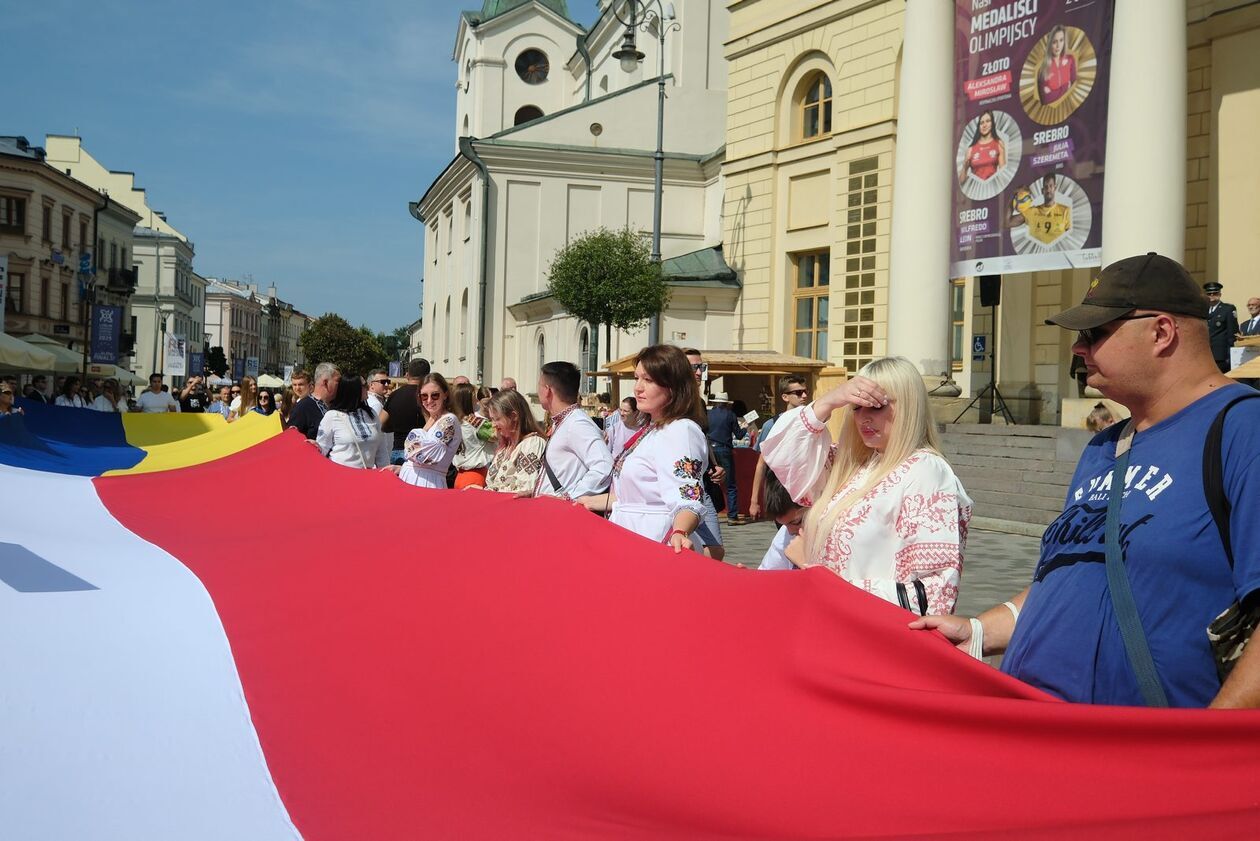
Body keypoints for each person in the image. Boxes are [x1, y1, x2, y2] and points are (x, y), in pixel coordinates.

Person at [911, 252, 1260, 709]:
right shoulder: (1106, 446)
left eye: (1093, 333)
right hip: (1041, 731)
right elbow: (1072, 570)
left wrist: (1204, 752)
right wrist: (980, 630)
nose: (1077, 348)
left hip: (1143, 754)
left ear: (1161, 332)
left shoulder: (1242, 428)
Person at [762, 357, 972, 616]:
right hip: (830, 622)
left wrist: (829, 584)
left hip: (870, 634)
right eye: (856, 407)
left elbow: (935, 591)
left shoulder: (927, 472)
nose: (863, 418)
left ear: (908, 406)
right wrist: (829, 401)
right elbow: (784, 458)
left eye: (876, 406)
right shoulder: (853, 465)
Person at [577, 345, 710, 554]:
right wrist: (582, 501)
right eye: (636, 378)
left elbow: (688, 495)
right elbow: (635, 497)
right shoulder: (654, 429)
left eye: (648, 380)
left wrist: (680, 532)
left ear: (673, 387)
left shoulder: (680, 431)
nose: (638, 388)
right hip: (632, 539)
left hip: (654, 544)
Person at [535, 361, 613, 501]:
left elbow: (604, 466)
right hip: (551, 511)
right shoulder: (565, 422)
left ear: (547, 390)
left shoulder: (576, 423)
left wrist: (571, 498)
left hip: (562, 516)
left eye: (539, 386)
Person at [750, 376, 811, 519]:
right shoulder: (772, 425)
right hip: (780, 489)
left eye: (805, 391)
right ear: (785, 397)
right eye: (798, 392)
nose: (804, 396)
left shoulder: (811, 421)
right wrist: (754, 501)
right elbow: (761, 464)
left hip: (806, 487)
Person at [394, 373, 460, 488]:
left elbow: (424, 456)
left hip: (427, 483)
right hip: (411, 479)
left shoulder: (449, 421)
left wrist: (418, 434)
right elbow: (412, 454)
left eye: (435, 395)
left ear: (445, 395)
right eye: (424, 396)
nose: (429, 400)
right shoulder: (433, 421)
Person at [482, 389, 547, 497]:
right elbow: (494, 486)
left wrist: (487, 492)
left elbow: (524, 489)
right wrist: (481, 491)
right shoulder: (505, 447)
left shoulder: (532, 443)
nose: (493, 424)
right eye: (492, 419)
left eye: (497, 419)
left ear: (514, 416)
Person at [317, 376, 391, 469]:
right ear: (354, 390)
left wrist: (386, 474)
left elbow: (382, 450)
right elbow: (321, 449)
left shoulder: (371, 414)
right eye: (364, 385)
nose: (368, 387)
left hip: (366, 477)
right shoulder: (332, 416)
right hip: (340, 476)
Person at [757, 468, 809, 571]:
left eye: (796, 522)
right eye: (784, 525)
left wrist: (805, 565)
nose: (790, 531)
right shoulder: (784, 535)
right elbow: (768, 572)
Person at [381, 358, 430, 465]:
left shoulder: (394, 395)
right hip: (419, 451)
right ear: (427, 376)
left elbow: (380, 423)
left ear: (408, 374)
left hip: (397, 450)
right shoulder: (427, 397)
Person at [450, 382, 496, 488]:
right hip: (475, 476)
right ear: (468, 400)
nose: (476, 400)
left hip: (460, 476)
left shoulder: (454, 421)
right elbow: (499, 434)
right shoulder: (475, 422)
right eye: (474, 396)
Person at [706, 392, 743, 525]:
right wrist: (744, 427)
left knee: (710, 482)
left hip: (710, 449)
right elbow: (738, 435)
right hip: (724, 448)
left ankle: (711, 513)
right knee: (730, 484)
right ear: (726, 403)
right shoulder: (730, 415)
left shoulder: (707, 414)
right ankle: (732, 516)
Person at [1010, 173, 1071, 247]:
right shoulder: (1031, 211)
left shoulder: (1065, 211)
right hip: (1037, 256)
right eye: (1046, 187)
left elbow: (1069, 240)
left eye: (1051, 186)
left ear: (1055, 188)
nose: (1048, 189)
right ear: (1042, 190)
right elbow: (1007, 222)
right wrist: (1013, 194)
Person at [288, 363, 340, 440]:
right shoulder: (302, 407)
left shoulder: (335, 404)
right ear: (325, 382)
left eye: (301, 384)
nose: (297, 388)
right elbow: (292, 440)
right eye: (338, 381)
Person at [959, 109, 1006, 185]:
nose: (984, 125)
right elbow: (961, 181)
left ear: (992, 123)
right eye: (982, 123)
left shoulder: (998, 143)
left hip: (993, 189)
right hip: (976, 193)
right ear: (979, 126)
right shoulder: (970, 149)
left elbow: (1003, 175)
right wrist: (964, 167)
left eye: (988, 121)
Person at [1204, 281, 1239, 373]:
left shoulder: (1227, 309)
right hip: (1205, 353)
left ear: (1219, 294)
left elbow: (1232, 333)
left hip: (1220, 355)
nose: (1211, 295)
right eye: (1209, 293)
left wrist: (1230, 354)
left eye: (1214, 293)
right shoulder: (1203, 310)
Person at [1038, 25, 1076, 106]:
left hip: (1070, 109)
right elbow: (1046, 99)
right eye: (1054, 42)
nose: (1058, 46)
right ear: (1049, 43)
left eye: (1061, 40)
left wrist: (1054, 92)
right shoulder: (1043, 69)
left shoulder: (1070, 60)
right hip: (1052, 115)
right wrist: (1066, 86)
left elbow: (1075, 87)